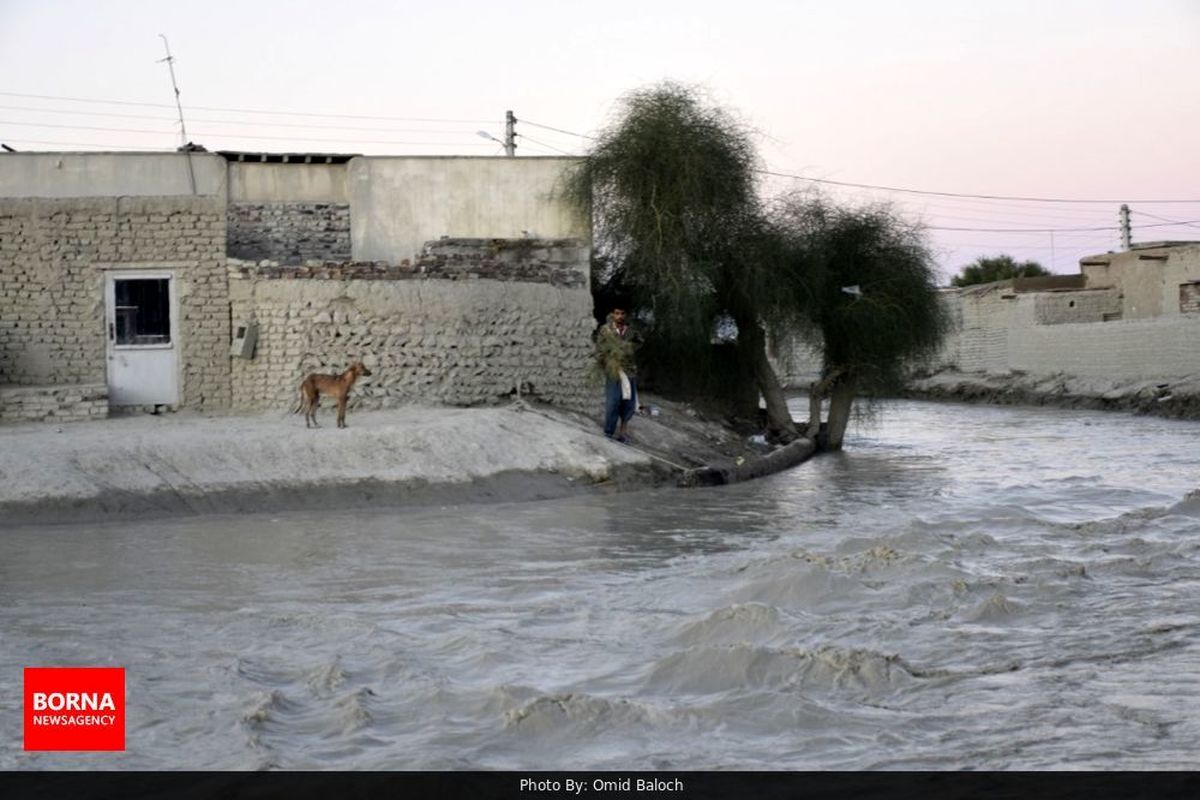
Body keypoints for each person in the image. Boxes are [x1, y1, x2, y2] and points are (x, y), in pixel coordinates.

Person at [595, 307, 642, 442]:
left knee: (628, 403)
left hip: (629, 370)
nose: (620, 316)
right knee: (613, 401)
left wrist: (628, 348)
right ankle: (609, 431)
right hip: (613, 370)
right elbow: (599, 348)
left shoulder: (632, 331)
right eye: (617, 313)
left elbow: (640, 342)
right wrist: (606, 360)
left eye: (622, 313)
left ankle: (623, 432)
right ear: (612, 315)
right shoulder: (606, 330)